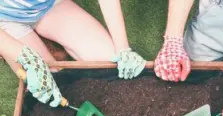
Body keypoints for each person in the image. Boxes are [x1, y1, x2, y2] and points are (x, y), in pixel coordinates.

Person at [0, 0, 146, 107]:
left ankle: (46, 40)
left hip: (49, 5)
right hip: (5, 20)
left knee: (107, 60)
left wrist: (122, 47)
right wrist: (26, 57)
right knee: (52, 88)